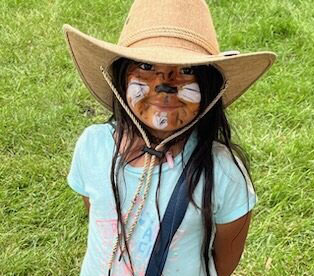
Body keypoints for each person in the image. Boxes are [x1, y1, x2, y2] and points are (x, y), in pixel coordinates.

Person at [64, 0, 276, 275]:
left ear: (209, 86)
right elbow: (96, 212)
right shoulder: (93, 147)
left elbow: (223, 262)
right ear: (120, 76)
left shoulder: (223, 171)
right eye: (145, 65)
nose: (164, 85)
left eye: (187, 69)